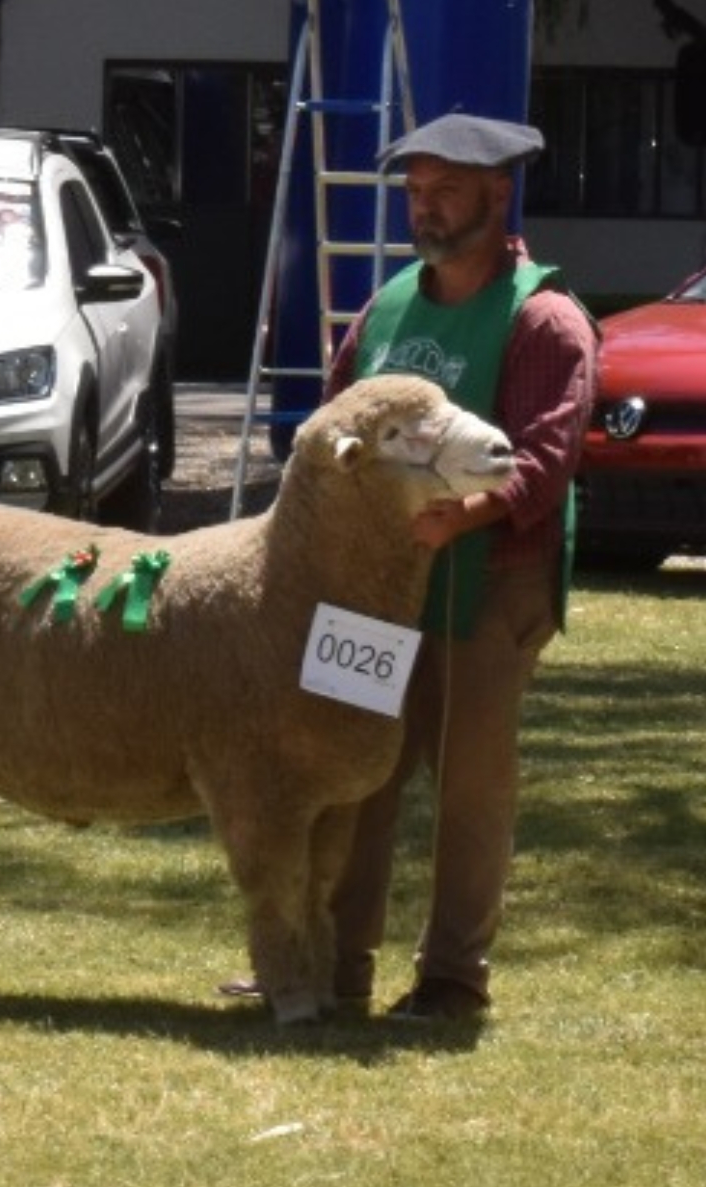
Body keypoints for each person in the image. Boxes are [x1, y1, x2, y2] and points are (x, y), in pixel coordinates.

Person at [229, 113, 597, 1022]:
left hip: (490, 584)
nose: (426, 211)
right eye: (416, 193)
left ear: (498, 195)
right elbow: (331, 433)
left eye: (447, 193)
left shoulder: (545, 318)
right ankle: (333, 960)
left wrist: (460, 519)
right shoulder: (386, 307)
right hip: (373, 590)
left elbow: (544, 461)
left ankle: (452, 979)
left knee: (467, 778)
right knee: (350, 766)